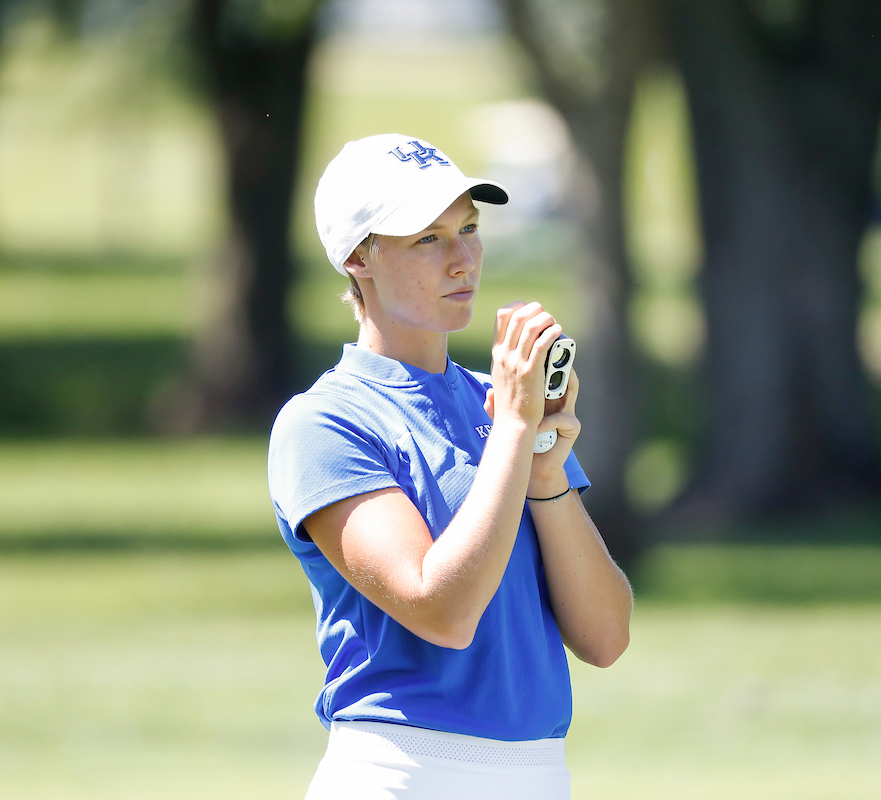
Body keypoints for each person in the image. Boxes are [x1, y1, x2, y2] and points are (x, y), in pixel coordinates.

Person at [268, 133, 633, 799]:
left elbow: (606, 637)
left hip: (539, 776)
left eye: (469, 229)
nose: (464, 259)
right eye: (428, 240)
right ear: (358, 258)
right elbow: (442, 611)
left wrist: (546, 475)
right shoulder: (322, 422)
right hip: (401, 775)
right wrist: (517, 431)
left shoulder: (495, 403)